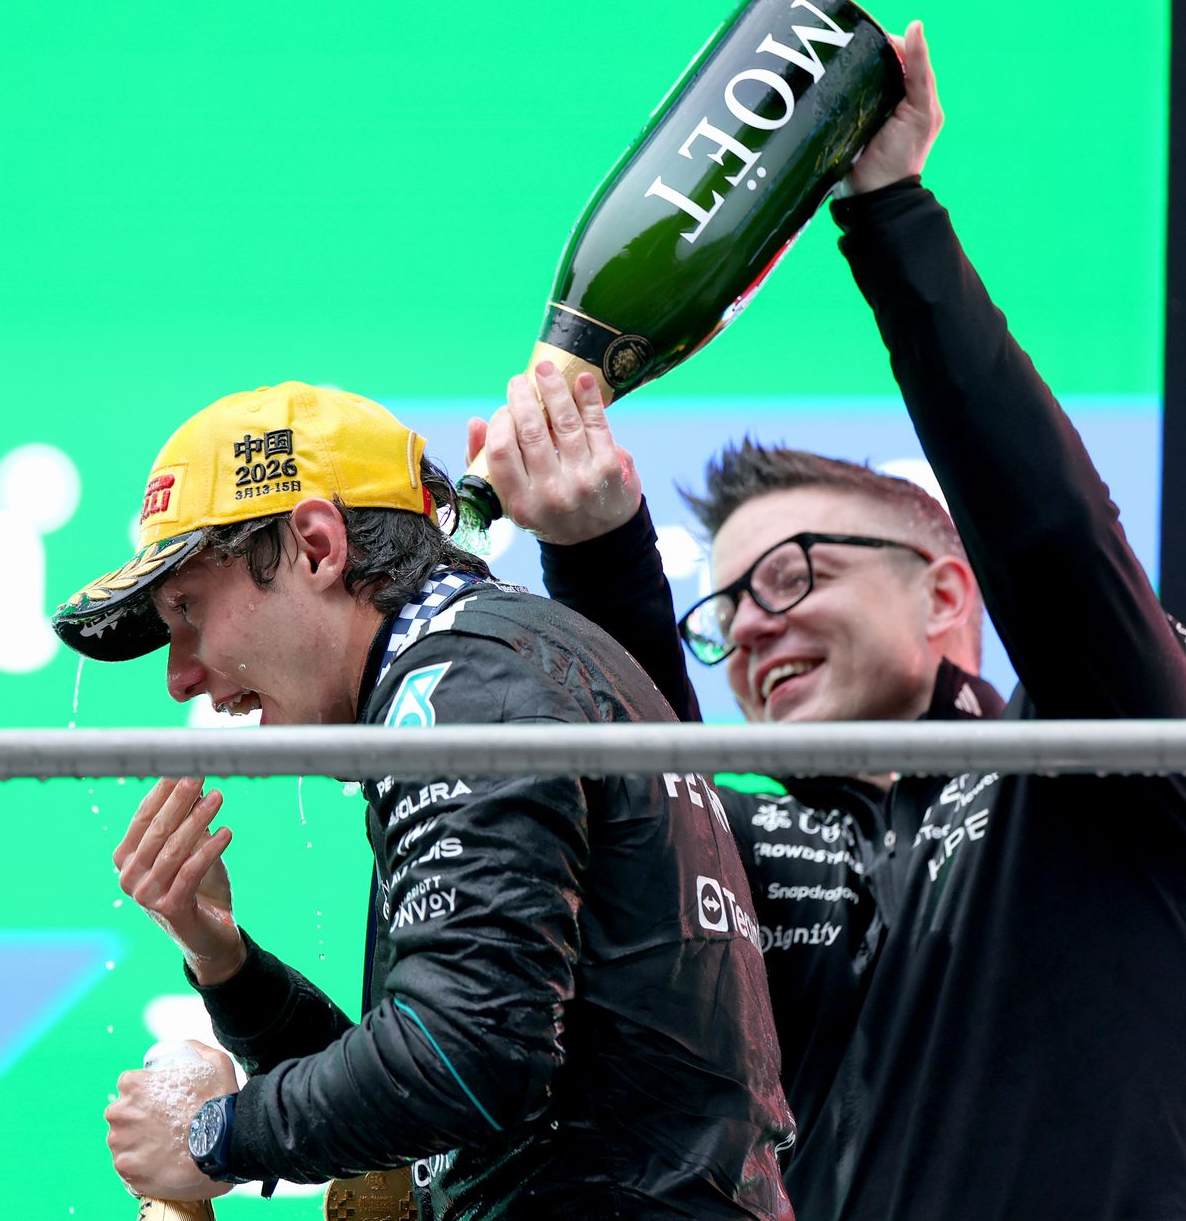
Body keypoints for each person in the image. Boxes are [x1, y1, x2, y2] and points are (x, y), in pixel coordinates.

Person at [470, 22, 1186, 1221]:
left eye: (794, 573)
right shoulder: (769, 865)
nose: (752, 628)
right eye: (725, 607)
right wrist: (594, 546)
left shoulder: (1101, 763)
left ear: (944, 592)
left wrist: (891, 216)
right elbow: (654, 819)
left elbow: (1051, 538)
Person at [50, 383, 794, 1219]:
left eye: (188, 610)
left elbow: (466, 1058)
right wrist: (224, 961)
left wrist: (211, 1136)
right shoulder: (490, 664)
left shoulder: (461, 686)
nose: (180, 677)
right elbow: (436, 1111)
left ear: (317, 548)